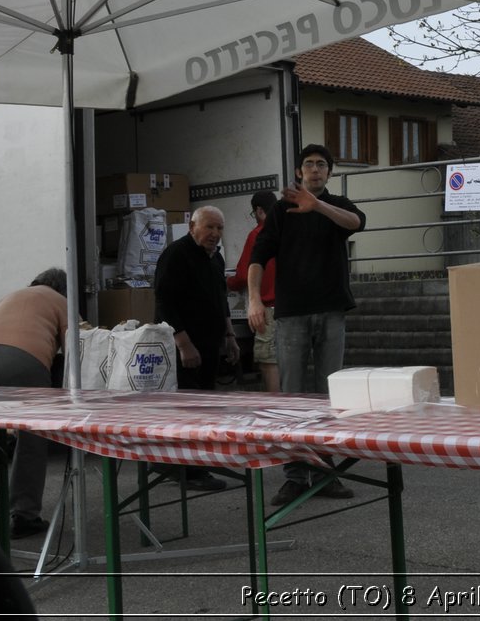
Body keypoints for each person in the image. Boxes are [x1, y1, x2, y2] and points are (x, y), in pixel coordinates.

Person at [247, 144, 366, 505]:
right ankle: (295, 476)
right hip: (292, 313)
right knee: (294, 398)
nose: (315, 170)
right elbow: (258, 256)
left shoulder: (339, 206)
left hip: (331, 310)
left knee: (330, 396)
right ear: (298, 172)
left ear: (329, 172)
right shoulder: (282, 210)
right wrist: (253, 299)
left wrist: (318, 206)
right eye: (308, 165)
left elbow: (357, 223)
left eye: (321, 165)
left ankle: (325, 474)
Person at [0, 268, 69, 540]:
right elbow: (78, 348)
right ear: (62, 289)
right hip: (24, 359)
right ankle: (24, 515)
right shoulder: (61, 301)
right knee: (32, 437)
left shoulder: (12, 295)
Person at [153, 205, 236, 491]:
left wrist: (230, 335)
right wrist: (183, 344)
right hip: (183, 344)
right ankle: (187, 471)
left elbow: (221, 297)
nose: (215, 233)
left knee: (207, 405)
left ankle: (201, 462)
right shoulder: (176, 254)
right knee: (188, 408)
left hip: (210, 342)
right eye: (209, 227)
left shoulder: (216, 258)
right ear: (192, 226)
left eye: (219, 228)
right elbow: (164, 302)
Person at [227, 190, 280, 392]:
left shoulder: (258, 234)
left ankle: (275, 408)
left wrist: (227, 282)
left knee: (269, 361)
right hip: (291, 310)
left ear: (259, 211)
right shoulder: (287, 229)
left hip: (267, 309)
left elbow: (242, 275)